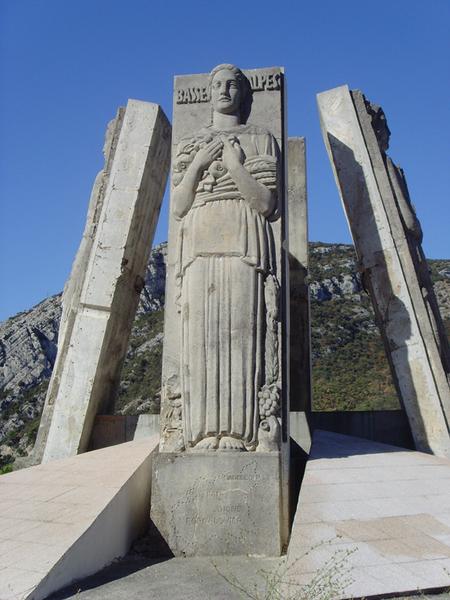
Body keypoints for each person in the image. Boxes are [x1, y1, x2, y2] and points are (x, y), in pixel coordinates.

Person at [172, 64, 280, 451]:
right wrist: (199, 164)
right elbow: (180, 205)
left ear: (244, 94)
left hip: (244, 237)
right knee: (199, 338)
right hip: (199, 240)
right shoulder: (189, 143)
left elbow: (267, 203)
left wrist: (235, 166)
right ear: (208, 92)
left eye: (233, 84)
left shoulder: (260, 138)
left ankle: (240, 433)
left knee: (242, 334)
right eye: (217, 84)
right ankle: (200, 434)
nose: (224, 89)